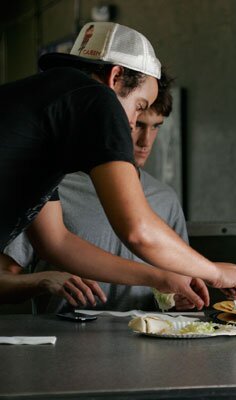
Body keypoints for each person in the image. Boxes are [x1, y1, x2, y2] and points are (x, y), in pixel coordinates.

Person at [0, 22, 236, 308]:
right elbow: (137, 230)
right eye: (140, 106)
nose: (129, 123)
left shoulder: (45, 115)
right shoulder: (96, 97)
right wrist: (215, 273)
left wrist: (160, 278)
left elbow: (56, 243)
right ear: (115, 77)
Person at [2, 70, 204, 312]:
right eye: (138, 121)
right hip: (64, 342)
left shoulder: (165, 199)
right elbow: (15, 269)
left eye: (155, 127)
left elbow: (175, 284)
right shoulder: (51, 185)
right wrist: (43, 282)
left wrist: (176, 297)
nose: (144, 141)